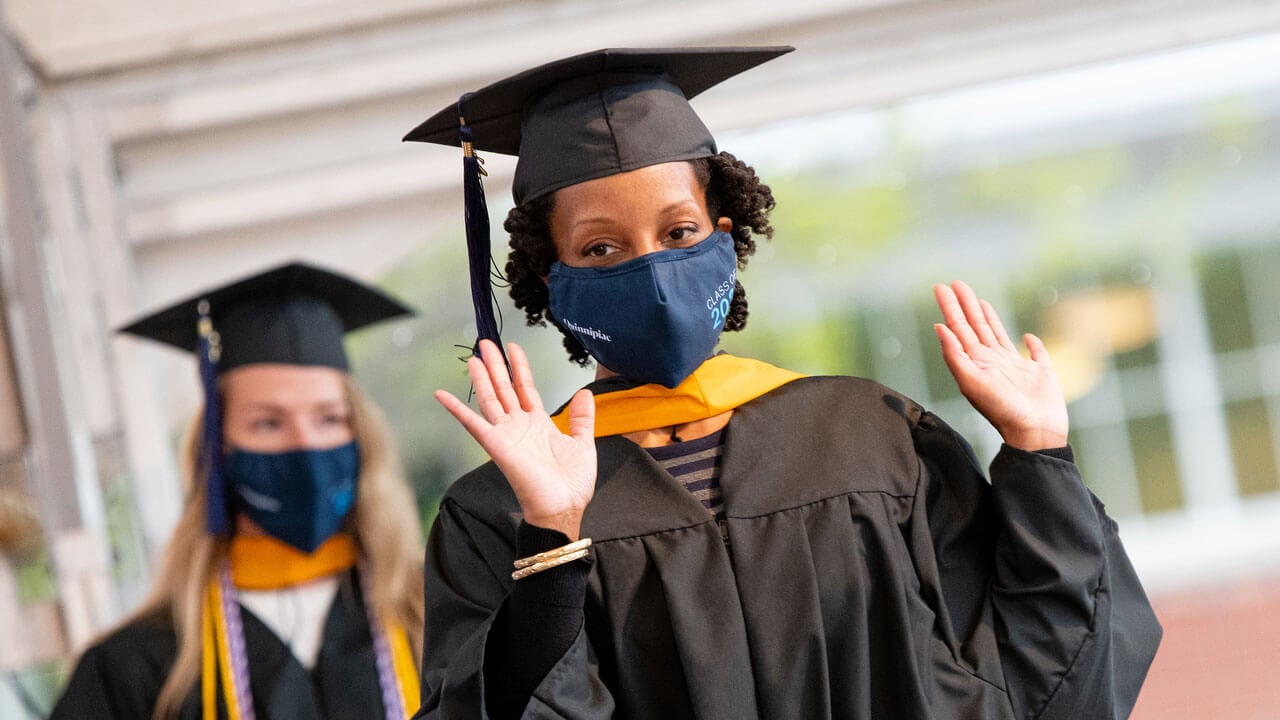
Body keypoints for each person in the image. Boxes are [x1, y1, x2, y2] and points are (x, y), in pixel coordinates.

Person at [403, 47, 1162, 719]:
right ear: (552, 279)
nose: (654, 274)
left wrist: (1038, 454)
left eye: (678, 233)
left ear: (724, 239)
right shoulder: (500, 512)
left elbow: (1045, 680)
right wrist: (551, 538)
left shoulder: (873, 438)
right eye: (601, 249)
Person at [50, 262, 425, 720]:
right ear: (217, 449)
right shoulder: (133, 669)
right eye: (267, 423)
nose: (305, 446)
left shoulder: (435, 617)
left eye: (329, 418)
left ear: (361, 434)